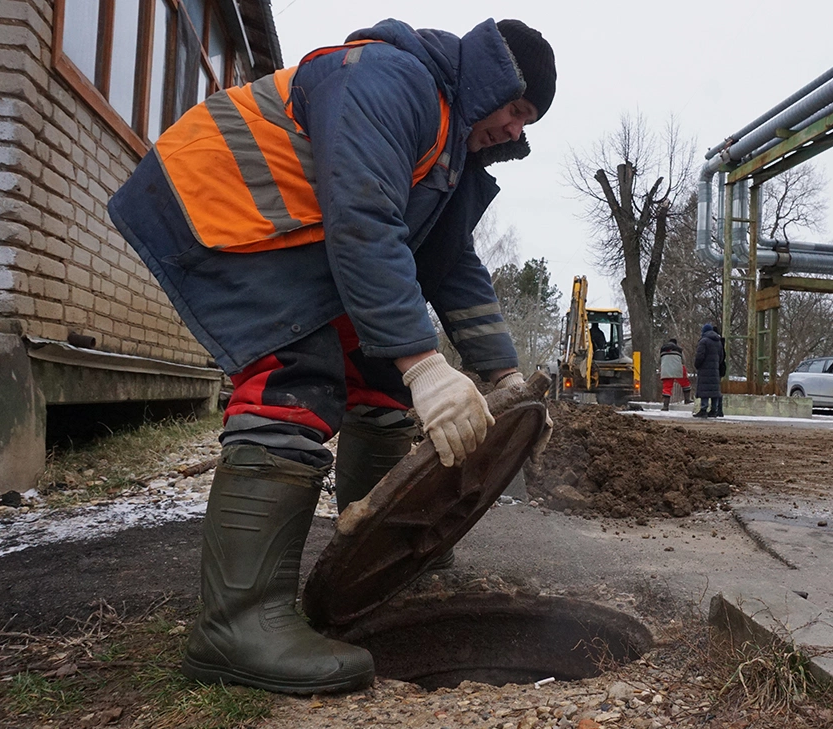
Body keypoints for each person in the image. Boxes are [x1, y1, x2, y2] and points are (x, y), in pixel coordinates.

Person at [108, 18, 556, 695]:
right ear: (497, 76)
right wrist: (425, 364)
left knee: (379, 378)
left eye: (528, 124)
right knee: (297, 375)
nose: (517, 132)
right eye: (519, 110)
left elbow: (452, 265)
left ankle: (382, 551)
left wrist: (507, 379)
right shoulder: (391, 77)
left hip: (290, 232)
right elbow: (363, 220)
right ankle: (236, 626)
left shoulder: (451, 156)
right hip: (218, 199)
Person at [694, 323, 725, 418]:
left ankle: (703, 409)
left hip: (704, 369)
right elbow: (722, 357)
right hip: (715, 369)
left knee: (705, 389)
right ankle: (714, 410)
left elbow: (700, 356)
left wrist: (697, 365)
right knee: (714, 390)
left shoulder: (703, 341)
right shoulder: (718, 341)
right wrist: (716, 365)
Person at [659, 338, 692, 410]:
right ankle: (687, 399)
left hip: (666, 369)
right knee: (685, 383)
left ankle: (665, 406)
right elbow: (683, 360)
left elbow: (660, 360)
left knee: (667, 387)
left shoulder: (662, 349)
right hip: (678, 368)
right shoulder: (679, 349)